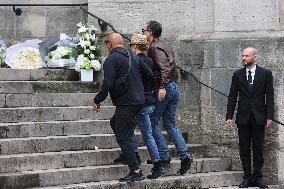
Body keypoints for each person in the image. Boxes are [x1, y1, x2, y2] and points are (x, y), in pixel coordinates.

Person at [92, 32, 153, 182]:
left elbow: (107, 83)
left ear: (109, 45)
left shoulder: (111, 59)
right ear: (122, 43)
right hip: (139, 101)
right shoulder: (132, 56)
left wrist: (97, 100)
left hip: (126, 103)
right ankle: (129, 155)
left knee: (123, 137)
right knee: (115, 123)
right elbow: (149, 74)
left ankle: (136, 171)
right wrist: (139, 89)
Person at [142, 20, 193, 175]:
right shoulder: (165, 45)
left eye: (144, 30)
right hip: (174, 86)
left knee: (152, 121)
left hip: (166, 87)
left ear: (150, 32)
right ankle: (184, 156)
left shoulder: (154, 47)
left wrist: (162, 87)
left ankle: (164, 155)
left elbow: (164, 68)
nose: (143, 33)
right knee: (170, 123)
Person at [225, 47, 274, 188]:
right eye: (242, 56)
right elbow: (232, 96)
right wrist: (229, 115)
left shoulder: (266, 74)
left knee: (258, 148)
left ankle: (258, 177)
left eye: (246, 56)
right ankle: (247, 177)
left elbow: (270, 97)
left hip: (259, 117)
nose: (243, 58)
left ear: (254, 57)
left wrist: (269, 115)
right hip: (243, 117)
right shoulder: (237, 75)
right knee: (244, 148)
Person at [129, 33, 168, 179]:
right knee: (142, 131)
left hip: (141, 102)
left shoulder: (135, 61)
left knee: (147, 135)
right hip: (150, 99)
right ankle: (135, 155)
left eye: (132, 46)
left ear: (134, 46)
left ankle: (157, 165)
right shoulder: (150, 60)